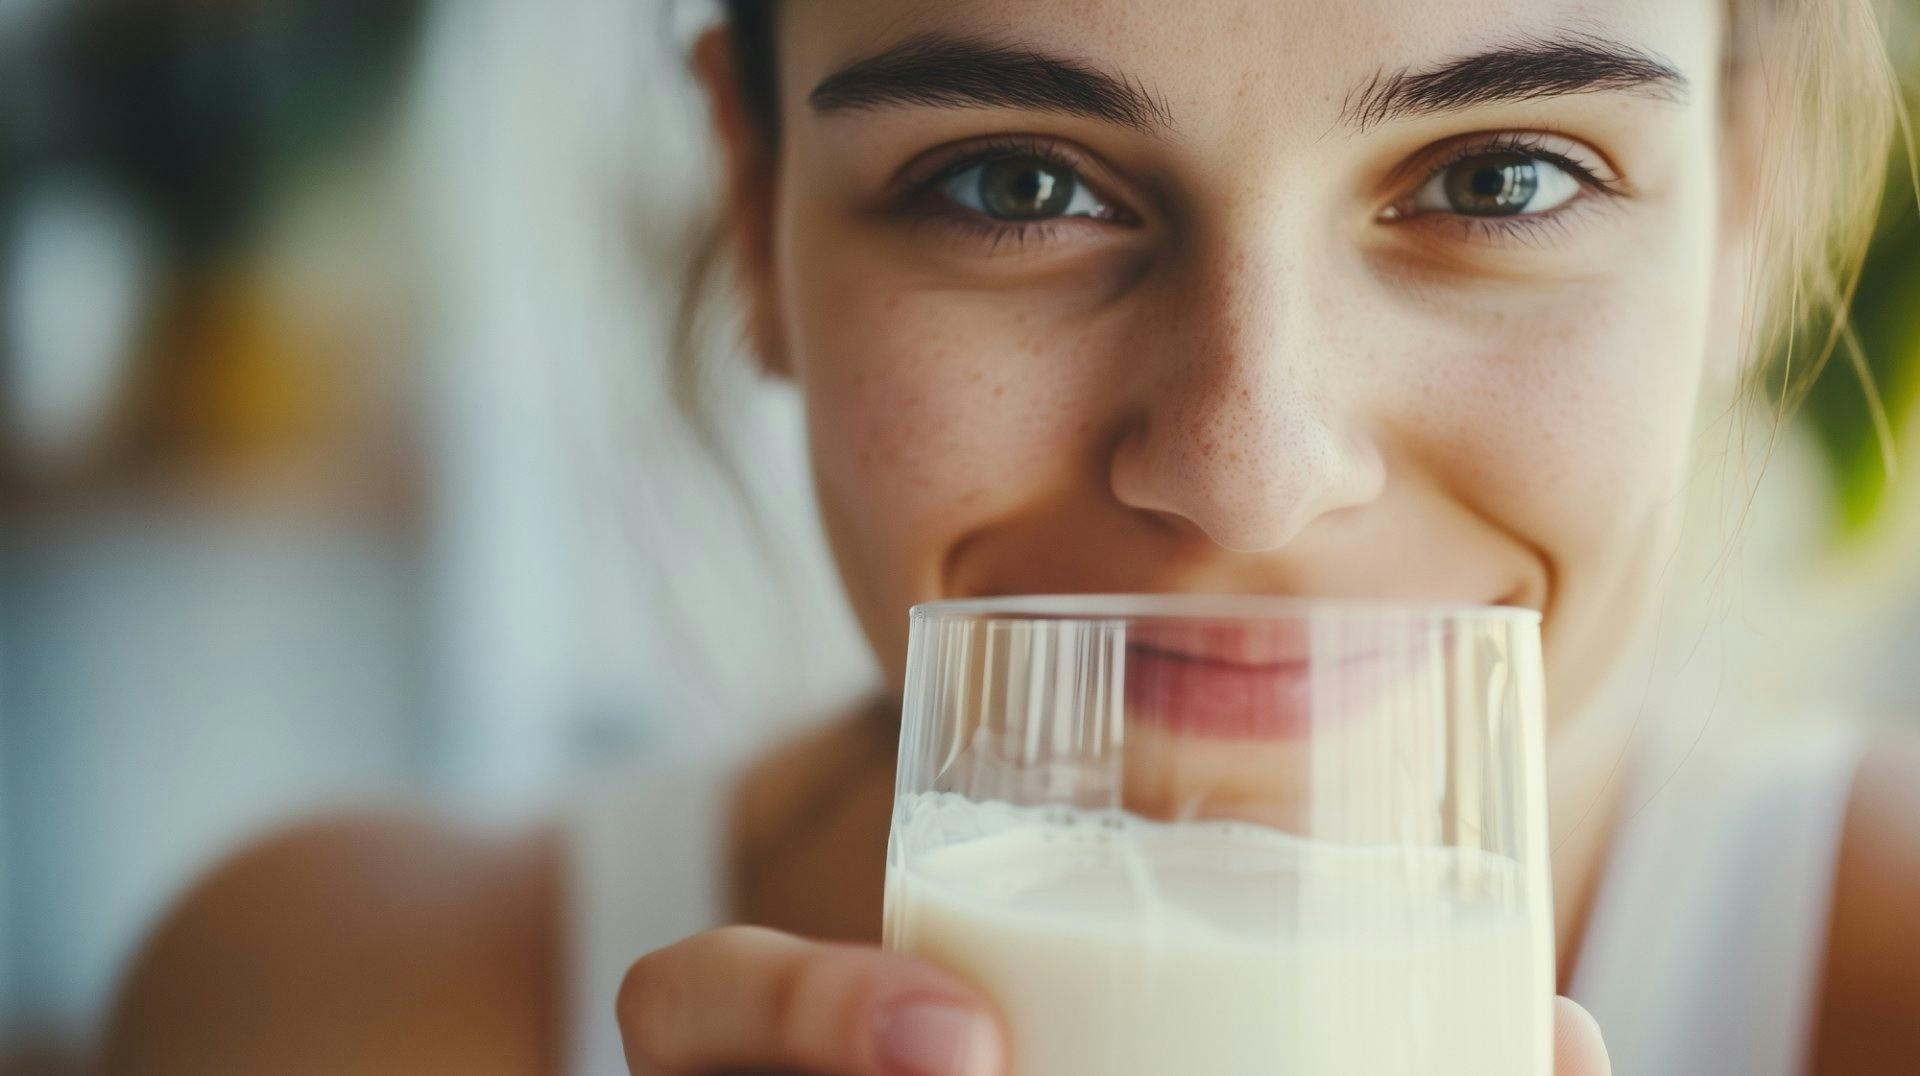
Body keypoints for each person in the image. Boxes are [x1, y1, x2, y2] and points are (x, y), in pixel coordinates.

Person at [105, 0, 1917, 1073]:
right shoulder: (328, 1008)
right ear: (754, 206)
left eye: (1501, 177)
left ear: (1746, 222)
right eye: (1014, 184)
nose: (1249, 469)